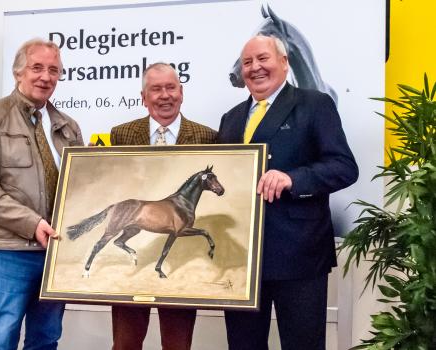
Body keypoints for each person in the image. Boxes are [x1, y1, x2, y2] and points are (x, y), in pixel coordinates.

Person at [217, 35, 358, 350]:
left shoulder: (314, 104)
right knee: (243, 345)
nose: (255, 68)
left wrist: (294, 179)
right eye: (247, 62)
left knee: (302, 345)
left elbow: (344, 166)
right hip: (241, 259)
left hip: (299, 254)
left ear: (284, 62)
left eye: (262, 58)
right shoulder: (232, 117)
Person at [0, 38, 84, 349]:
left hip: (57, 253)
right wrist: (30, 223)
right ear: (19, 72)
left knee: (45, 340)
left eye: (54, 70)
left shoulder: (68, 126)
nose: (46, 76)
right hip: (10, 253)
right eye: (37, 68)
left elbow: (81, 189)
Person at [110, 62, 217, 350]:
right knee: (125, 343)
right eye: (156, 89)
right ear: (144, 97)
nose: (164, 95)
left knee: (178, 345)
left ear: (181, 93)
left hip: (177, 263)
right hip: (135, 256)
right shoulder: (120, 134)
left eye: (171, 88)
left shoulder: (207, 137)